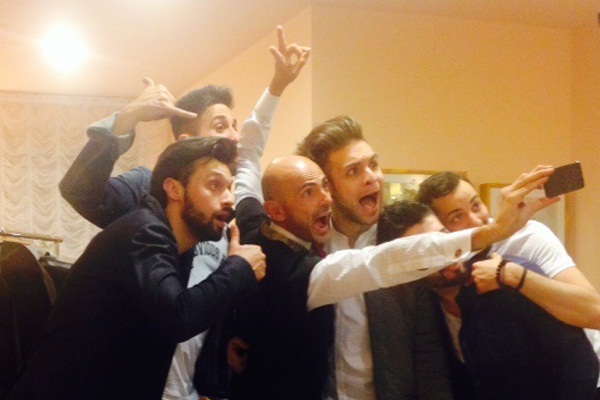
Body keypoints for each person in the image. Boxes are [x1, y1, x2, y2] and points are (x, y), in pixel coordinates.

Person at [229, 109, 556, 399]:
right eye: (353, 171)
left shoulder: (403, 237)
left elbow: (427, 351)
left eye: (373, 165)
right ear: (329, 186)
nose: (371, 177)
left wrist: (493, 232)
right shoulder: (306, 248)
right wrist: (229, 335)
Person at [58, 26, 310, 399]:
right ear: (187, 145)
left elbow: (218, 292)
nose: (235, 137)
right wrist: (127, 118)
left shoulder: (224, 209)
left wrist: (277, 86)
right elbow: (80, 189)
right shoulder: (150, 193)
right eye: (221, 126)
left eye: (235, 126)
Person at [7, 137, 266, 400]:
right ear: (174, 189)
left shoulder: (180, 249)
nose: (229, 200)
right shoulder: (144, 232)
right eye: (215, 185)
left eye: (230, 188)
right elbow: (178, 318)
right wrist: (239, 267)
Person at [378, 200, 599, 400]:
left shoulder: (510, 280)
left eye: (443, 239)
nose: (444, 255)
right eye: (425, 254)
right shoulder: (424, 312)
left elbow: (579, 365)